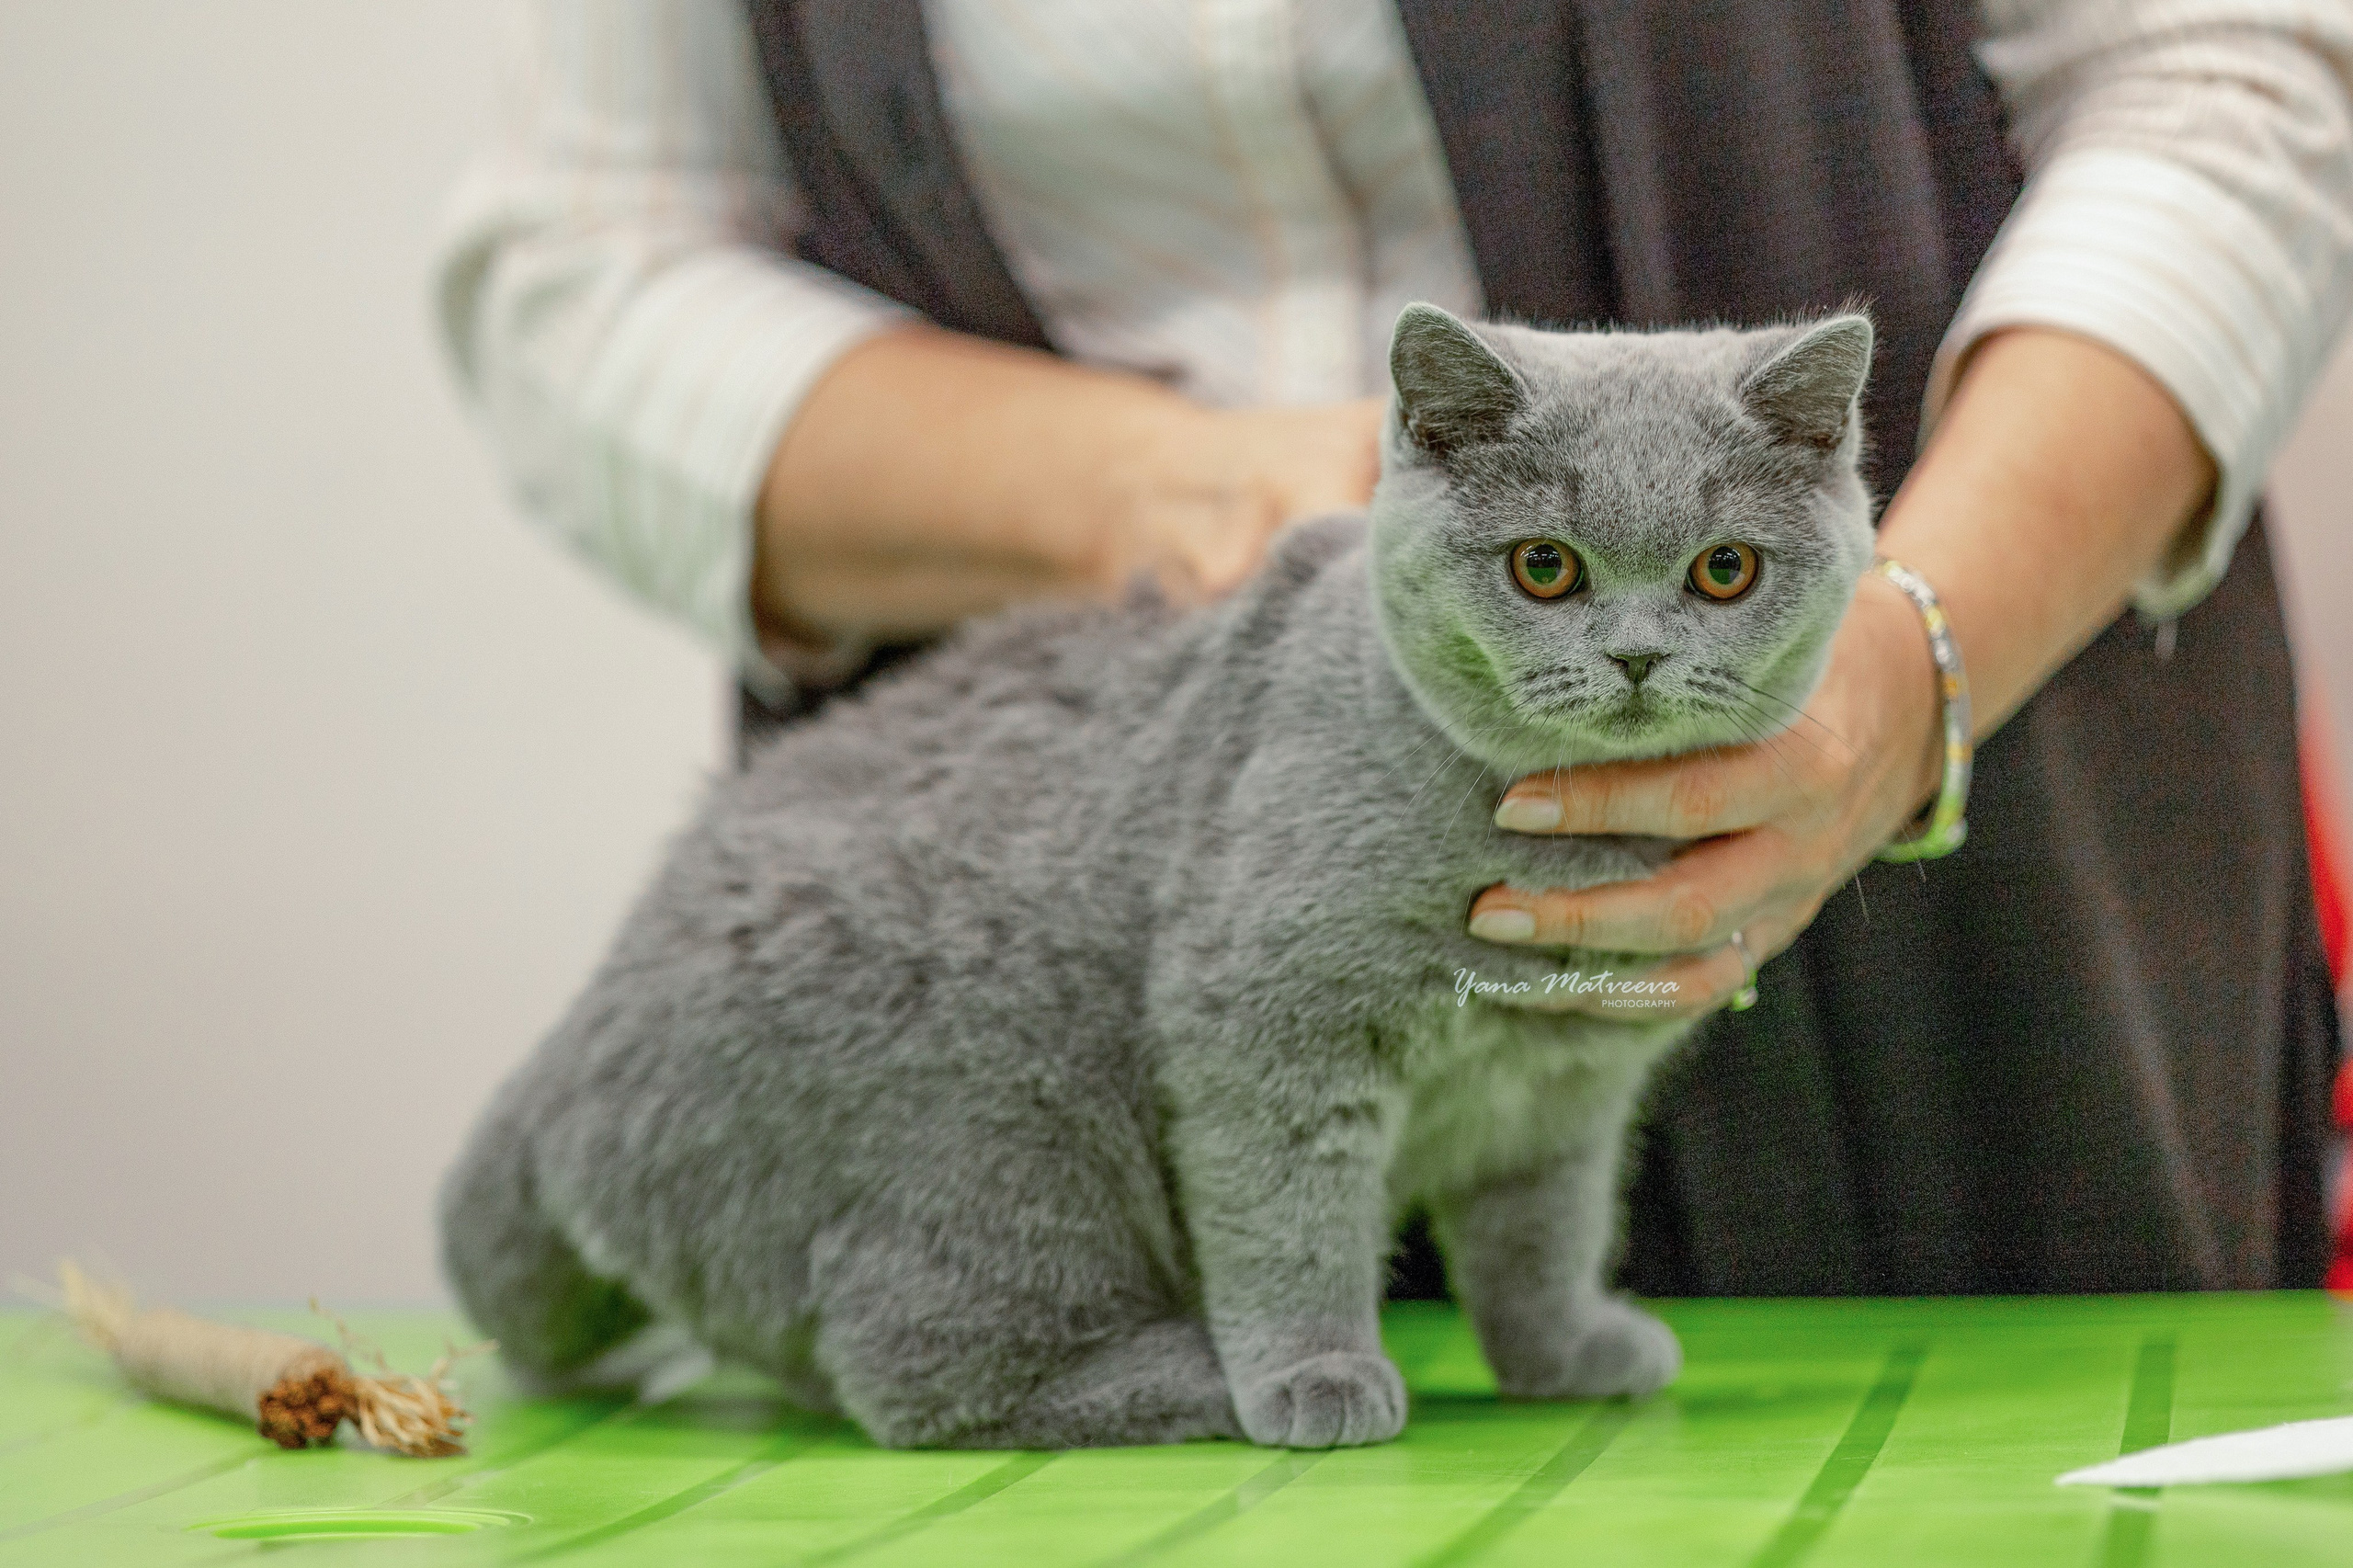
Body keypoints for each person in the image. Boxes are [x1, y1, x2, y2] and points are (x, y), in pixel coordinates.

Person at [437, 0, 2353, 1295]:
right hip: (1128, 918)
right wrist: (1161, 493)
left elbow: (2219, 75)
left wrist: (1905, 661)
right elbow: (583, 265)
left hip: (1973, 915)